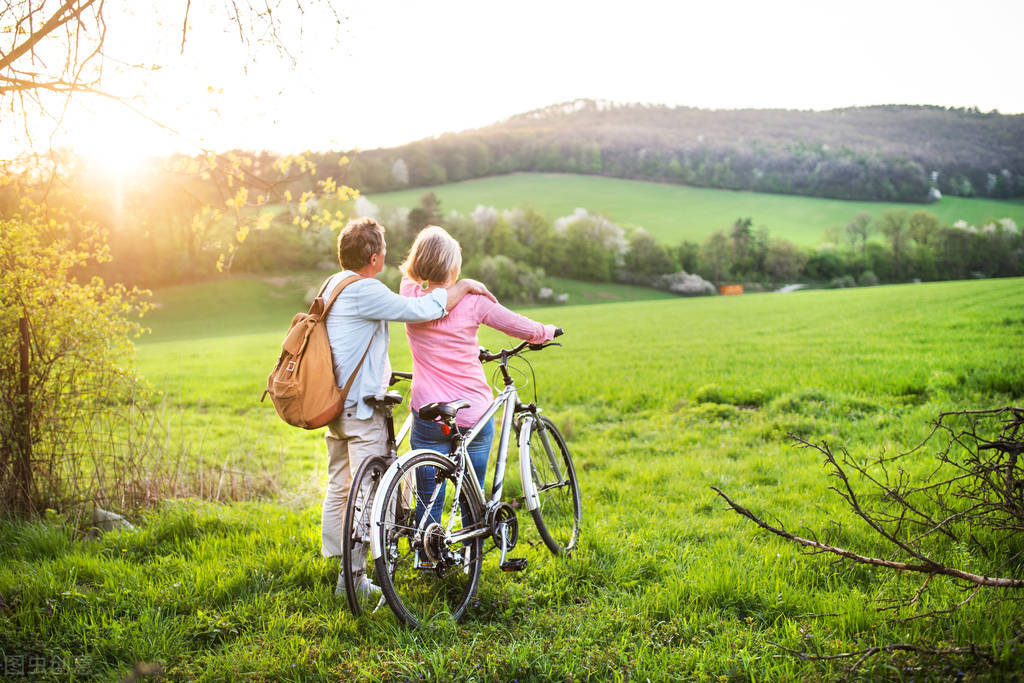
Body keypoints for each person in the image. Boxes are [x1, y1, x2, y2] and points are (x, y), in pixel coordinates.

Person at [321, 217, 493, 599]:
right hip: (362, 408)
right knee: (366, 491)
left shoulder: (333, 284)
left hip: (334, 405)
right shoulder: (365, 289)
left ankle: (337, 564)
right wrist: (463, 285)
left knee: (340, 486)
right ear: (375, 257)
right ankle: (352, 579)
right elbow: (425, 309)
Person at [399, 225, 557, 530]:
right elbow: (520, 326)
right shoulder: (475, 302)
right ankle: (471, 551)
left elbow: (410, 276)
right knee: (473, 493)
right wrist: (545, 333)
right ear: (453, 264)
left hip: (428, 414)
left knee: (428, 497)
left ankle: (424, 554)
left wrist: (441, 271)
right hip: (473, 414)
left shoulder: (411, 298)